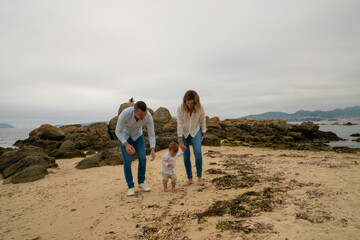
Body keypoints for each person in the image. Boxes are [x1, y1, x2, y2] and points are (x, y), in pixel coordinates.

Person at [115, 101, 156, 196]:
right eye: (141, 115)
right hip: (125, 136)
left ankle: (141, 183)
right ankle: (130, 186)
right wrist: (126, 144)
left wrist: (153, 148)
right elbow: (118, 131)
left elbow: (151, 133)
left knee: (142, 158)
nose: (143, 117)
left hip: (138, 136)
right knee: (128, 161)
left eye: (144, 114)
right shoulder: (125, 113)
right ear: (134, 111)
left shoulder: (148, 116)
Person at [177, 90, 206, 186]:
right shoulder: (180, 108)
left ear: (196, 102)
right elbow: (180, 125)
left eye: (192, 103)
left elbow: (202, 120)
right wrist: (180, 142)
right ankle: (189, 179)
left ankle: (199, 177)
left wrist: (203, 132)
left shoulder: (200, 108)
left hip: (195, 130)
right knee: (186, 155)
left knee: (197, 152)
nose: (189, 105)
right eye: (188, 103)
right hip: (184, 132)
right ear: (185, 101)